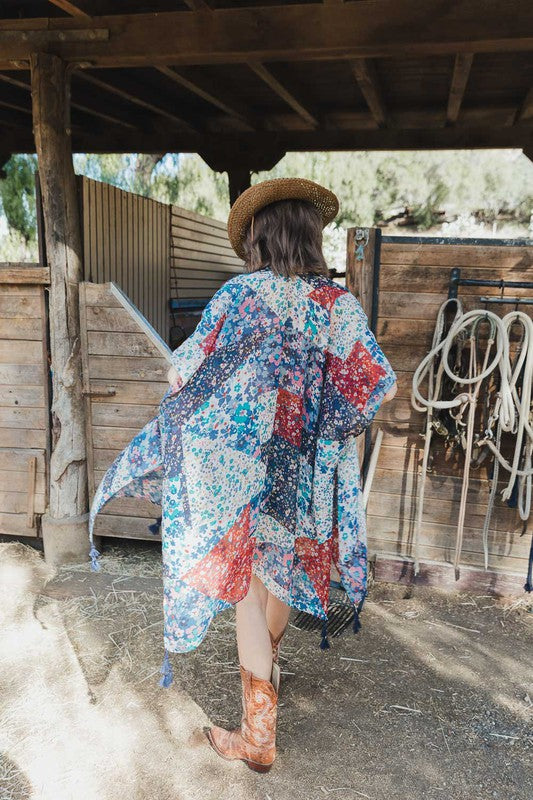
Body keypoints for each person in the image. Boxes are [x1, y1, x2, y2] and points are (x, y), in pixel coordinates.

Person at [88, 177, 397, 774]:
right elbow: (372, 387)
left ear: (261, 234)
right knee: (282, 570)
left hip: (244, 465)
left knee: (250, 589)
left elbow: (186, 371)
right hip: (306, 470)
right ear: (310, 234)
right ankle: (267, 672)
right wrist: (320, 424)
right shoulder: (340, 307)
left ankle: (259, 735)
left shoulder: (240, 298)